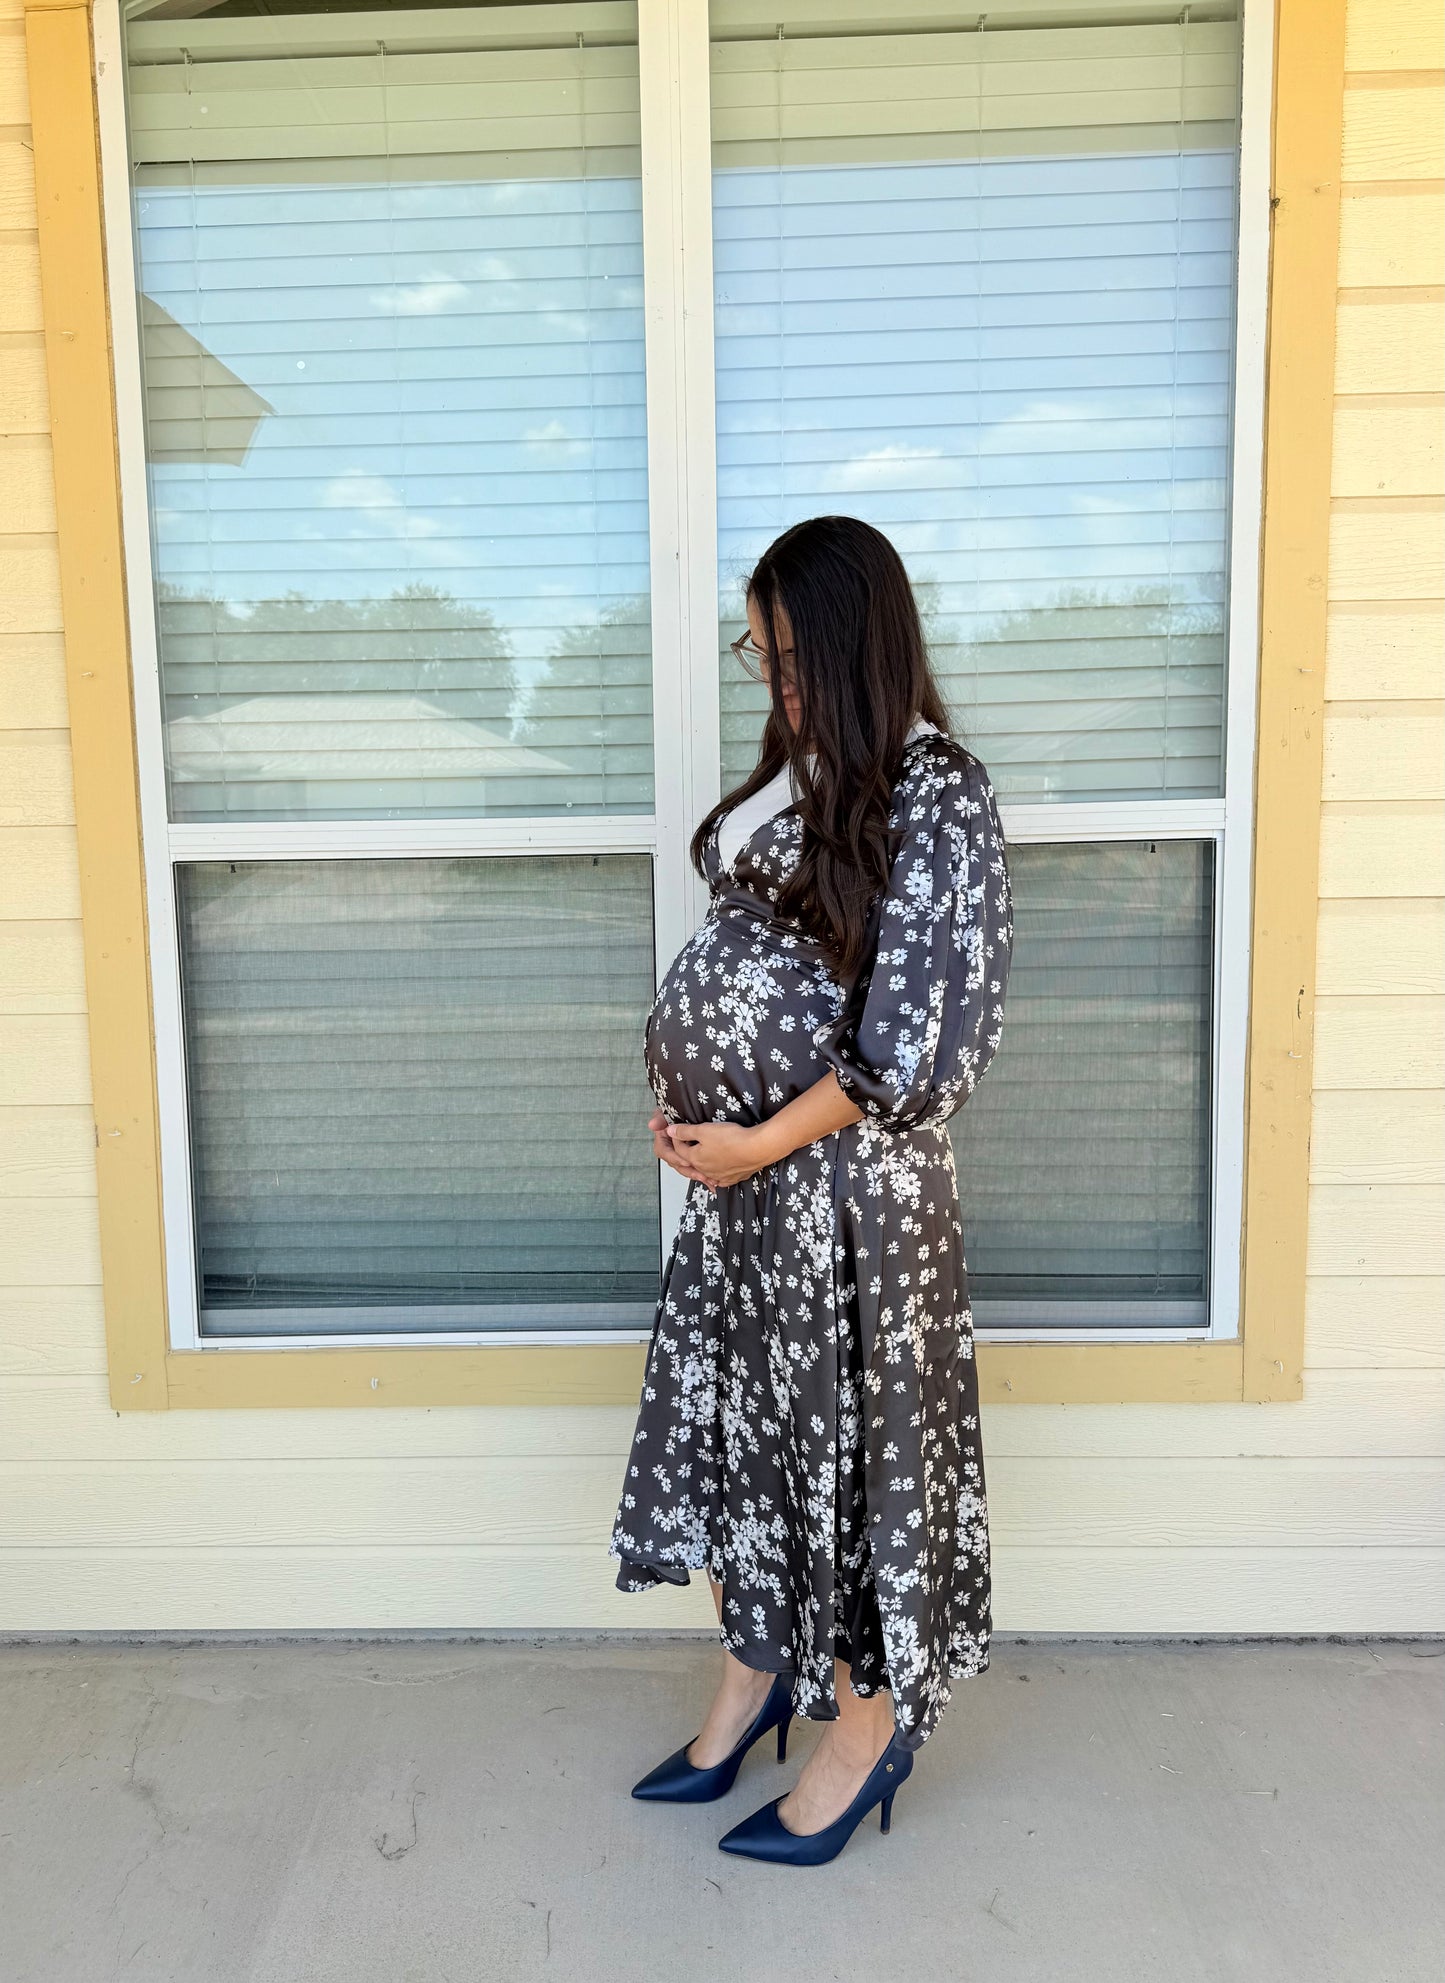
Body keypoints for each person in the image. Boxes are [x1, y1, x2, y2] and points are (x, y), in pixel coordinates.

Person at [609, 515, 1012, 1866]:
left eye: (787, 654)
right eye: (758, 653)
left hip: (846, 1207)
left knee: (845, 1470)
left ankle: (863, 1728)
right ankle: (753, 1673)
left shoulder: (939, 793)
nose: (770, 679)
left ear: (851, 645)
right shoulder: (811, 778)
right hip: (749, 1202)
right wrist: (695, 1104)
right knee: (749, 1446)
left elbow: (912, 1047)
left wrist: (750, 1138)